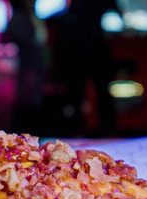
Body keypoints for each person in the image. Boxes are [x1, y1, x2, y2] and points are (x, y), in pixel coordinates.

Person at [56, 0, 120, 133]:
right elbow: (116, 13)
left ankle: (87, 128)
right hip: (89, 47)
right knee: (86, 92)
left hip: (82, 48)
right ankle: (103, 127)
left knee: (84, 92)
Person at [7, 0, 47, 129]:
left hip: (33, 54)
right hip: (28, 52)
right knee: (26, 80)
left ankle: (32, 108)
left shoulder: (31, 14)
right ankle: (27, 110)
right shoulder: (20, 15)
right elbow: (15, 32)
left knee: (31, 80)